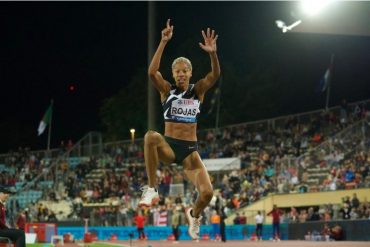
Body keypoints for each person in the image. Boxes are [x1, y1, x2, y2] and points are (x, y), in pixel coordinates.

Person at [138, 18, 220, 241]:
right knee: (150, 136)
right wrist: (163, 42)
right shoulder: (167, 91)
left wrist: (212, 53)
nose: (181, 74)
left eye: (185, 71)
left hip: (190, 153)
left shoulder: (198, 90)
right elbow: (152, 72)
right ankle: (152, 188)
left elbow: (214, 76)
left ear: (190, 73)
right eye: (177, 72)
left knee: (207, 193)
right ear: (173, 75)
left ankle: (194, 215)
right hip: (170, 147)